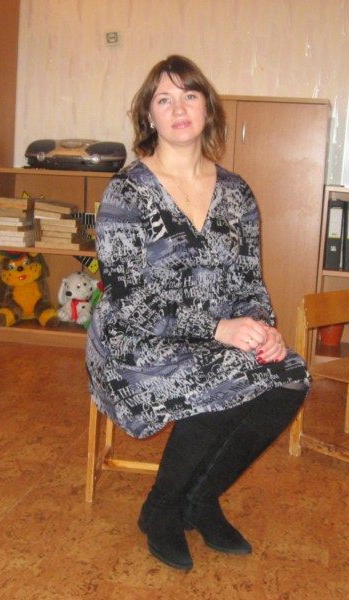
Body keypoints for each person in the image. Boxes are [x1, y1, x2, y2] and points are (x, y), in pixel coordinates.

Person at [85, 55, 311, 572]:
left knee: (289, 375)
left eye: (189, 95)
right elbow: (128, 296)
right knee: (225, 374)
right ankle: (162, 506)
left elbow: (249, 280)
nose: (178, 108)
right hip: (135, 340)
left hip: (215, 333)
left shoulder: (236, 192)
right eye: (164, 99)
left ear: (207, 108)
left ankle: (200, 496)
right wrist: (217, 328)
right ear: (149, 116)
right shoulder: (127, 191)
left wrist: (261, 329)